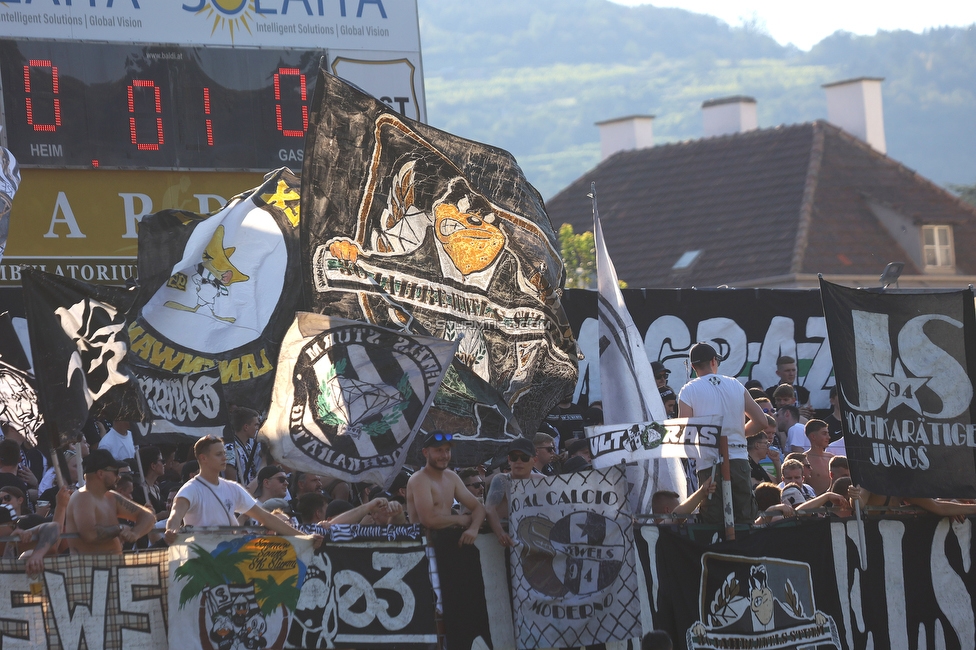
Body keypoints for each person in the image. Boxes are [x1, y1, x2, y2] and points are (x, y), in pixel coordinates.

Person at [164, 436, 316, 545]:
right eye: (218, 454)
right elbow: (176, 515)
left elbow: (266, 517)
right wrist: (172, 530)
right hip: (203, 560)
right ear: (203, 458)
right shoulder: (191, 489)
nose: (224, 458)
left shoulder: (232, 488)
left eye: (224, 453)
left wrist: (304, 538)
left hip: (230, 556)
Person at [678, 342, 766, 525]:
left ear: (693, 367)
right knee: (745, 521)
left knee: (713, 523)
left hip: (708, 462)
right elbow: (762, 422)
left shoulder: (688, 390)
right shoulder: (735, 384)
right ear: (713, 361)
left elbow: (684, 432)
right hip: (738, 460)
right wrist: (738, 435)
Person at [64, 449, 156, 554]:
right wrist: (119, 528)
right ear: (101, 473)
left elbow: (149, 517)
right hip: (89, 568)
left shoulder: (111, 497)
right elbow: (90, 534)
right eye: (115, 472)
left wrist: (135, 533)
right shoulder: (82, 497)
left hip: (114, 566)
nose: (118, 477)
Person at [405, 431, 485, 546]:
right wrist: (459, 519)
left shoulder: (451, 477)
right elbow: (428, 520)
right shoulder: (419, 479)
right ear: (425, 452)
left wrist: (473, 529)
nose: (444, 455)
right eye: (439, 450)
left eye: (447, 450)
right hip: (425, 547)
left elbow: (479, 508)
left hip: (448, 543)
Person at [485, 438, 536, 546]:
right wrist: (500, 534)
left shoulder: (542, 481)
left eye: (524, 458)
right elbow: (489, 509)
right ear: (509, 460)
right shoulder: (501, 480)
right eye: (514, 457)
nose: (518, 461)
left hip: (532, 539)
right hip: (504, 541)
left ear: (534, 461)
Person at [224, 406, 262, 485]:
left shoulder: (248, 446)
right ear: (246, 427)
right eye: (255, 425)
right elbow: (231, 482)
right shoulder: (230, 449)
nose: (257, 428)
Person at [803, 420, 834, 495]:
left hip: (834, 503)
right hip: (816, 504)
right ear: (813, 436)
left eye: (828, 434)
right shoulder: (804, 460)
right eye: (824, 434)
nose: (828, 437)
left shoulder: (831, 458)